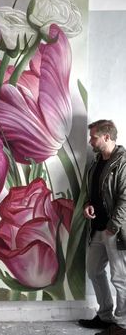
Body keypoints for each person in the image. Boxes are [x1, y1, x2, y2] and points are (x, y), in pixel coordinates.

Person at [78, 119, 126, 335]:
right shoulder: (96, 163)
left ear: (107, 137)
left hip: (115, 230)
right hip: (97, 228)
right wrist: (88, 206)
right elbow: (93, 194)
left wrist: (113, 226)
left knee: (120, 277)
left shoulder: (123, 163)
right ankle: (106, 316)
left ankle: (122, 324)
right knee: (94, 270)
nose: (90, 141)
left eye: (93, 137)